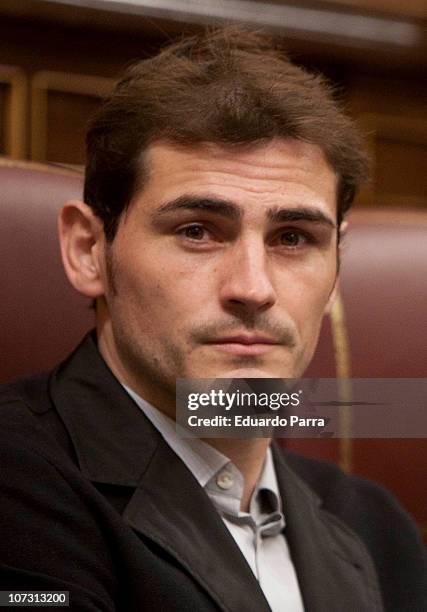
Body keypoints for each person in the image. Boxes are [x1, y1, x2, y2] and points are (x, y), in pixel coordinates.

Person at [0, 27, 425, 612]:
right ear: (89, 250)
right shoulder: (18, 488)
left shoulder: (377, 528)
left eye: (294, 238)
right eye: (196, 231)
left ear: (337, 267)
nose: (253, 288)